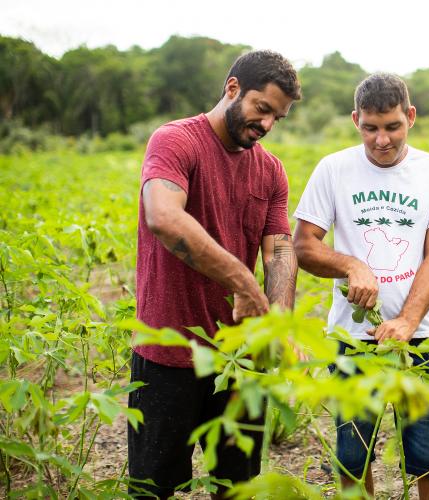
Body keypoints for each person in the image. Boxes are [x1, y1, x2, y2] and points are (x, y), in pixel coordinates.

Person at [128, 50, 300, 499]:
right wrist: (242, 281)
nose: (266, 125)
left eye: (277, 118)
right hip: (169, 356)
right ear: (232, 88)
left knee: (237, 488)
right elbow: (164, 217)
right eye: (262, 109)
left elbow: (279, 248)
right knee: (152, 490)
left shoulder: (270, 169)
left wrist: (278, 322)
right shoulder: (176, 141)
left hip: (238, 362)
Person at [293, 73, 429, 499]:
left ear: (411, 117)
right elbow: (303, 245)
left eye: (392, 126)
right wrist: (351, 265)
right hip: (352, 337)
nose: (381, 139)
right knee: (354, 455)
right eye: (370, 127)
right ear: (355, 120)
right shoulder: (333, 169)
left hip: (417, 338)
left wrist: (407, 319)